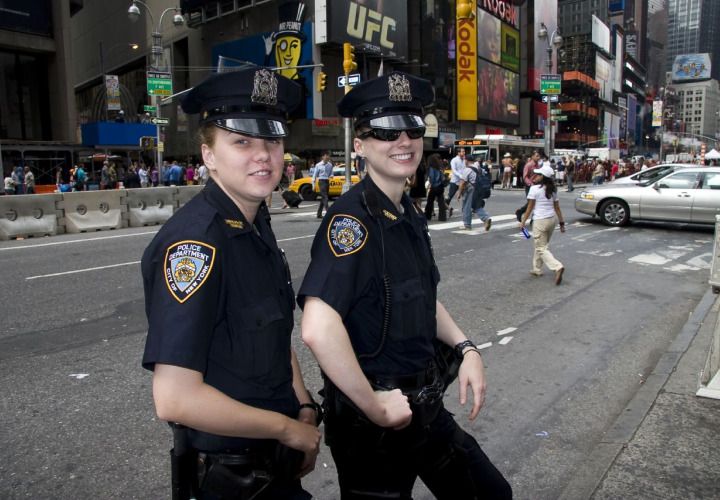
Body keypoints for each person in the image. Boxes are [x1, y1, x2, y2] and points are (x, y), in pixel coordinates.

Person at [298, 71, 512, 499]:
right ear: (360, 145)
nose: (404, 141)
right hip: (372, 425)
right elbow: (318, 329)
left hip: (425, 406)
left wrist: (467, 348)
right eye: (385, 131)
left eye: (412, 128)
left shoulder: (406, 210)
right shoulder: (350, 221)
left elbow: (423, 298)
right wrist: (375, 405)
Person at [141, 67, 321, 499]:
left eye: (272, 141)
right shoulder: (196, 243)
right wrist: (288, 429)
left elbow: (272, 334)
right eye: (241, 141)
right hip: (231, 479)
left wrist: (304, 408)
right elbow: (175, 399)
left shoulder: (255, 221)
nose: (263, 155)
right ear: (208, 155)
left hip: (274, 465)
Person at [519, 164, 566, 285]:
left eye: (539, 174)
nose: (536, 176)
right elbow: (557, 208)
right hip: (551, 220)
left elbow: (529, 208)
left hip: (540, 221)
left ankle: (557, 267)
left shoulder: (535, 189)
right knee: (542, 245)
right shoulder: (553, 189)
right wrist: (561, 223)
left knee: (541, 247)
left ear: (543, 177)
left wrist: (523, 221)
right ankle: (537, 269)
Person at [457, 156, 492, 231]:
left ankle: (467, 225)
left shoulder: (468, 169)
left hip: (471, 189)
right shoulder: (478, 167)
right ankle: (486, 218)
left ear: (467, 161)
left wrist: (459, 193)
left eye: (465, 160)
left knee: (467, 206)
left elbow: (462, 182)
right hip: (480, 189)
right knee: (476, 206)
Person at [424, 153, 448, 221]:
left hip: (434, 186)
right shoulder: (440, 167)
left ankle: (427, 216)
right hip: (440, 186)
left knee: (430, 202)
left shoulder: (432, 168)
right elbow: (442, 177)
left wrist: (430, 184)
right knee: (441, 202)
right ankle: (442, 217)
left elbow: (432, 177)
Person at [312, 151, 333, 218]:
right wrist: (313, 185)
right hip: (321, 181)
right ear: (322, 157)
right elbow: (314, 175)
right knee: (325, 197)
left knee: (323, 198)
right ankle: (329, 213)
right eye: (326, 155)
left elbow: (331, 173)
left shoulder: (330, 165)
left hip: (327, 181)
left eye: (328, 156)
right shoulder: (318, 165)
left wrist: (331, 176)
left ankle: (319, 214)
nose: (327, 157)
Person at [445, 147, 465, 217]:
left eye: (464, 151)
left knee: (465, 196)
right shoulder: (454, 160)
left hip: (462, 181)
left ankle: (465, 210)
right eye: (462, 151)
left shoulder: (464, 160)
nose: (464, 153)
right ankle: (446, 208)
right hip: (454, 181)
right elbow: (454, 170)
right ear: (458, 153)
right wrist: (460, 175)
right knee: (450, 196)